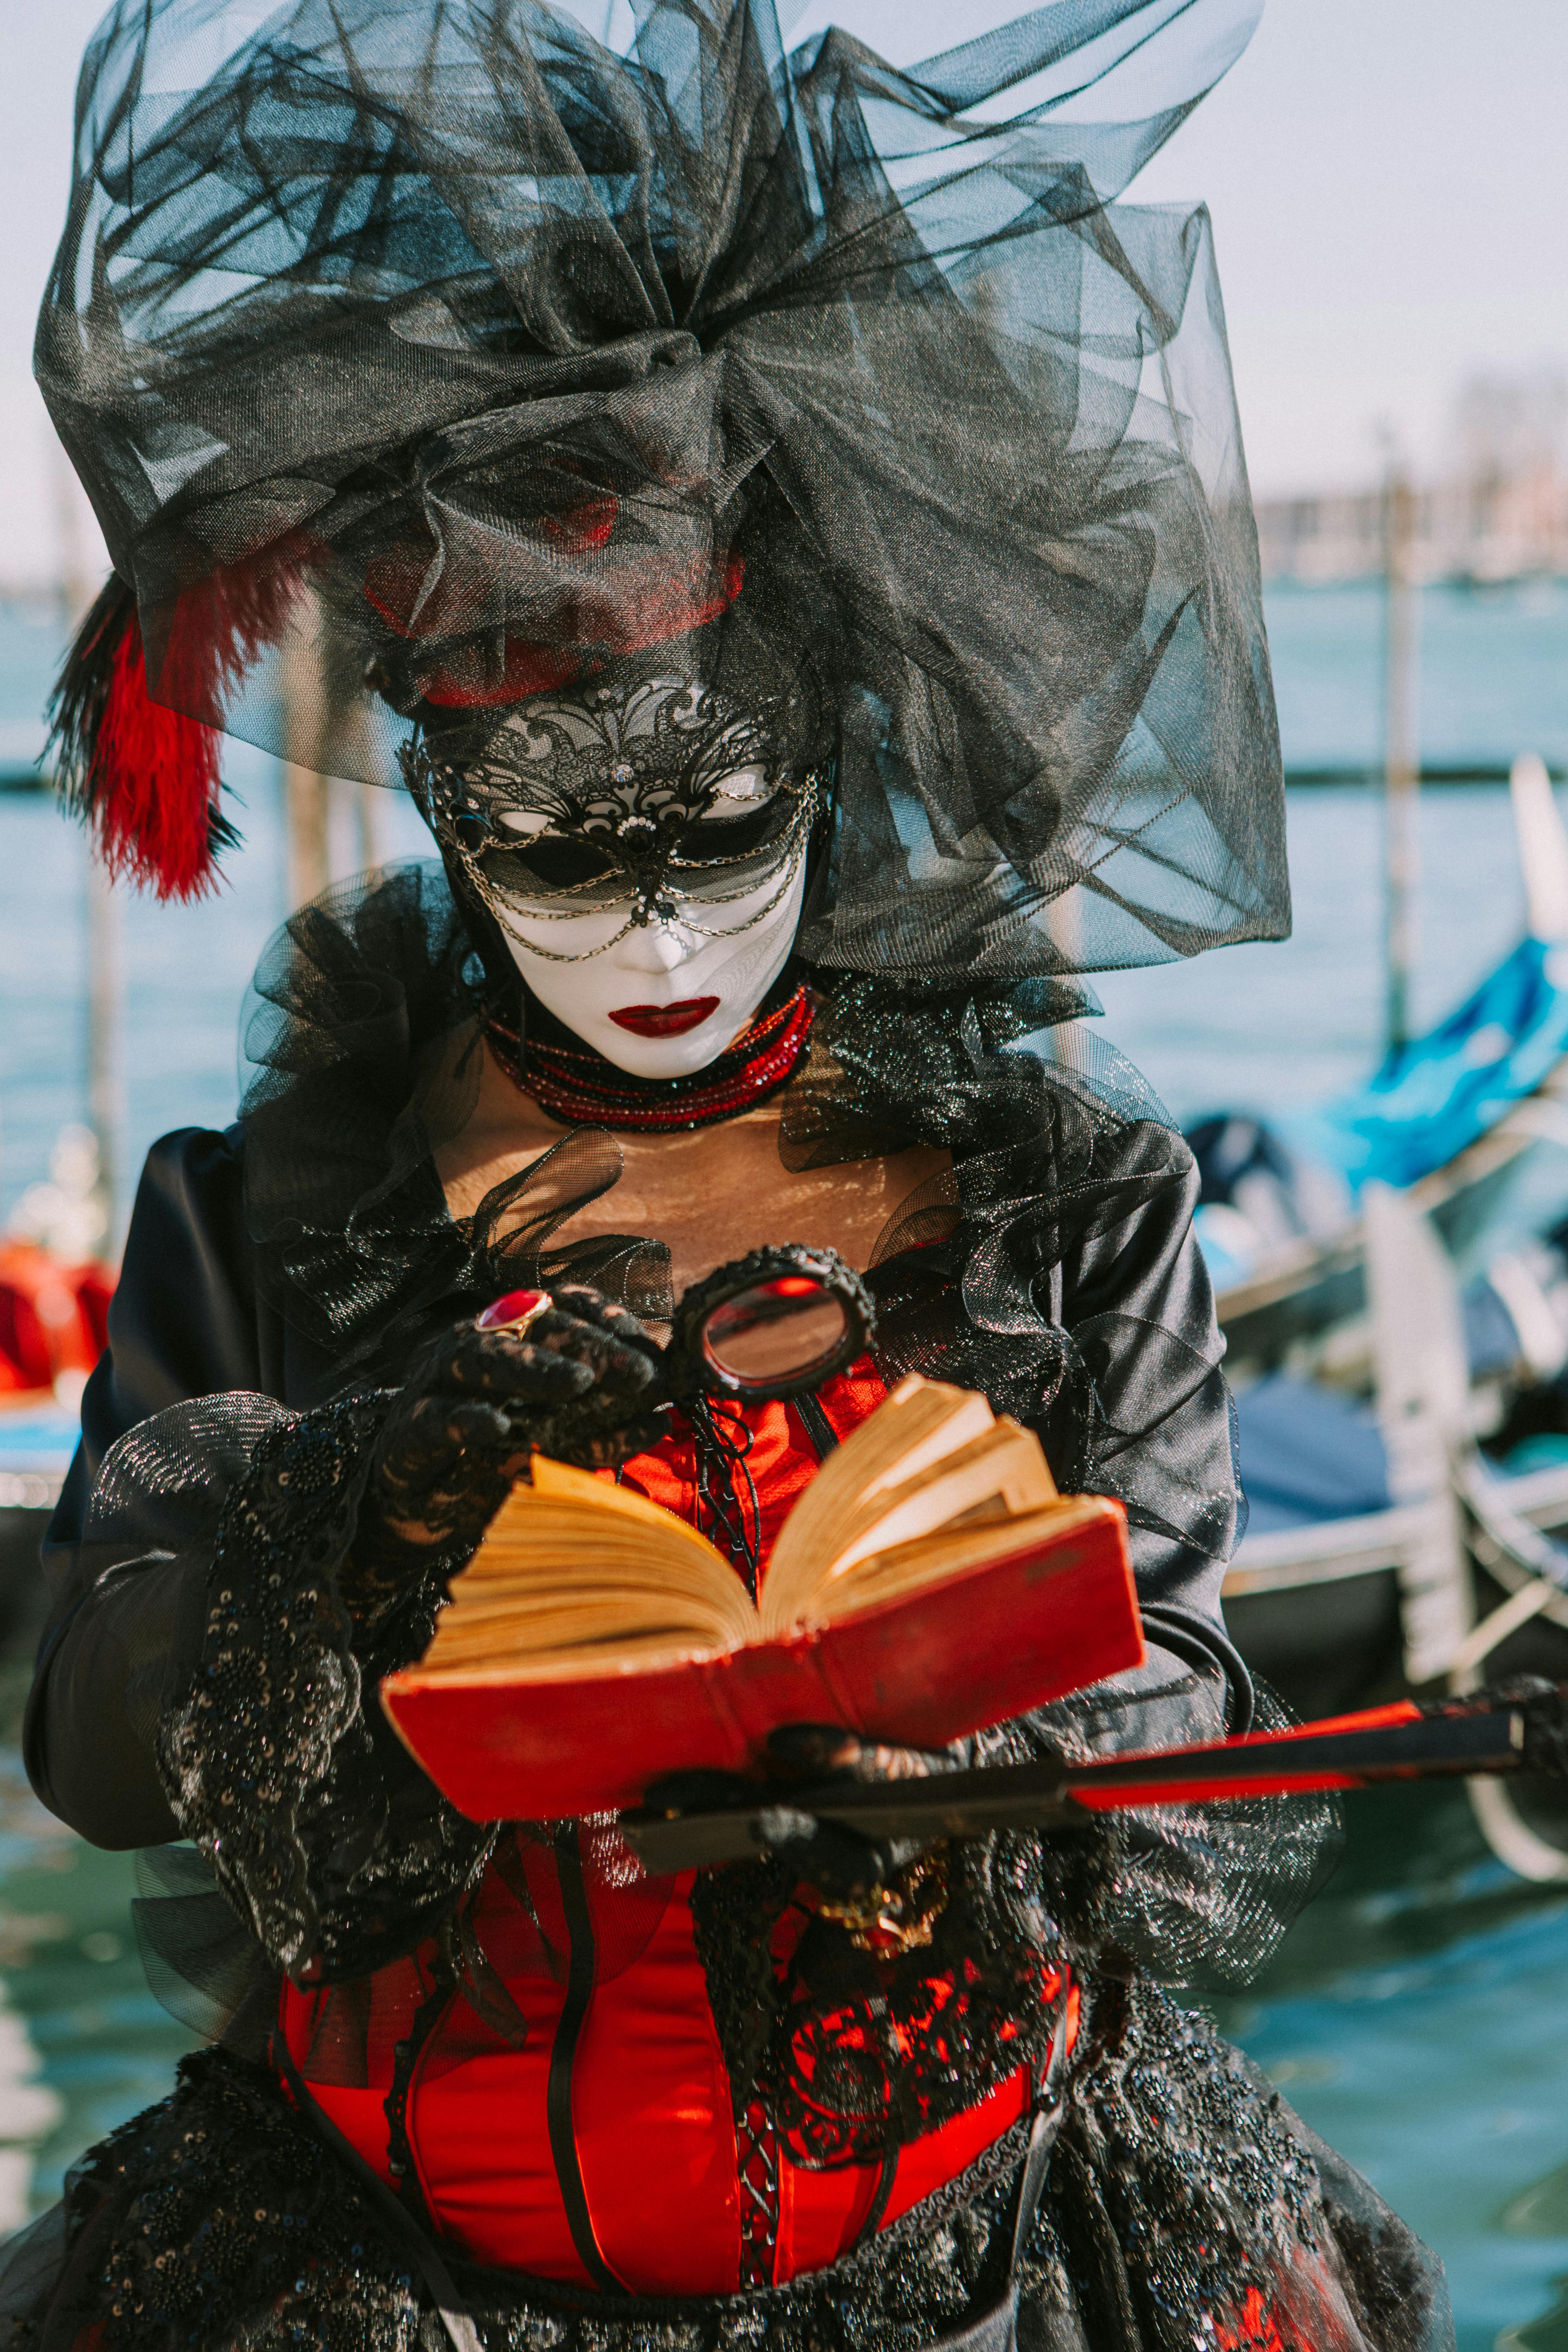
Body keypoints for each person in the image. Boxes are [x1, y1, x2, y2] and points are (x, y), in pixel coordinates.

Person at [4, 2, 1451, 2348]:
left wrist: (973, 1755)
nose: (661, 930)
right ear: (459, 836)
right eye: (570, 860)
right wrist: (359, 1517)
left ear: (825, 774)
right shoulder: (261, 1216)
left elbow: (1190, 1698)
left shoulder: (1060, 1202)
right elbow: (89, 1740)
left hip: (987, 2259)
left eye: (720, 829)